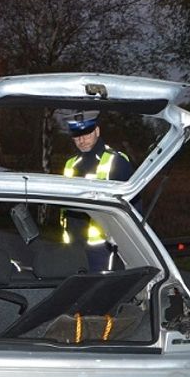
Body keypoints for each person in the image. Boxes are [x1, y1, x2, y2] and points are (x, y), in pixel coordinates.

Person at [60, 111, 132, 270]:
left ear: (97, 131)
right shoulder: (70, 164)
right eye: (77, 135)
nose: (82, 140)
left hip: (104, 247)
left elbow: (133, 205)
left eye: (86, 134)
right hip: (74, 244)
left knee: (104, 292)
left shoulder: (116, 161)